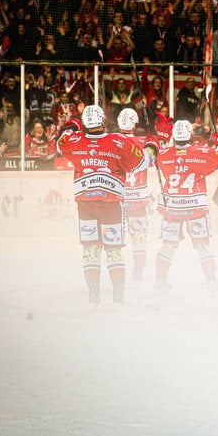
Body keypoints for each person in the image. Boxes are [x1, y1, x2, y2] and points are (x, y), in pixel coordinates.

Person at [56, 104, 150, 306]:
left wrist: (72, 126)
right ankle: (118, 292)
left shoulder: (75, 140)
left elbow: (60, 143)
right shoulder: (117, 140)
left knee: (91, 248)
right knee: (114, 248)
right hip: (111, 203)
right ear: (104, 120)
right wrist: (153, 147)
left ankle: (93, 293)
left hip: (85, 203)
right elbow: (141, 162)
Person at [152, 119, 218, 297]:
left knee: (168, 245)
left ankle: (159, 281)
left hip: (172, 207)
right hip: (195, 207)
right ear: (190, 135)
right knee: (203, 246)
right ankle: (211, 281)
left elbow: (153, 155)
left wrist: (159, 140)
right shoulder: (201, 152)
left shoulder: (163, 153)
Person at [116, 108, 153, 282]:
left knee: (115, 238)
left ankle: (116, 269)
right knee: (139, 238)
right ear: (135, 123)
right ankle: (138, 270)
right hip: (138, 200)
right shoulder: (144, 141)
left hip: (117, 200)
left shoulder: (111, 140)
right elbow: (153, 159)